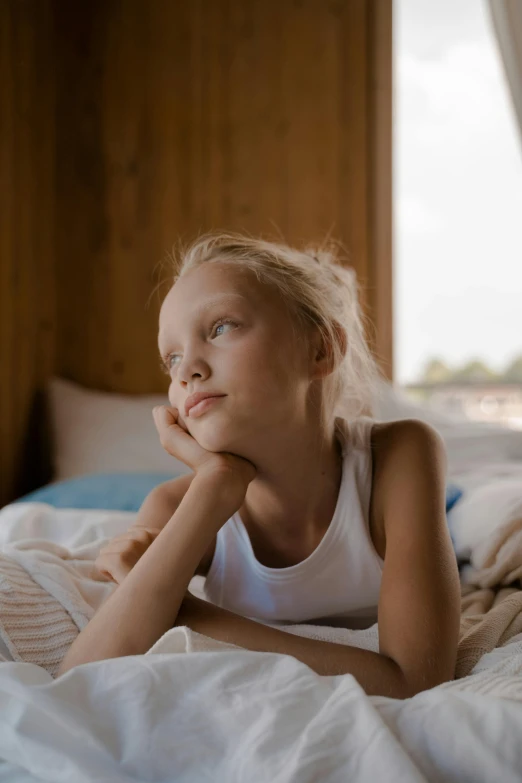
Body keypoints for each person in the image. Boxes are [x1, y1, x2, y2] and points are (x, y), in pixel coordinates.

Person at [57, 232, 461, 698]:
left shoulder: (400, 456)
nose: (186, 368)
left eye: (221, 327)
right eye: (170, 357)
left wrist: (183, 609)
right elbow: (78, 679)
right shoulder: (174, 506)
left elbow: (416, 679)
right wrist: (215, 484)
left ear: (321, 350)